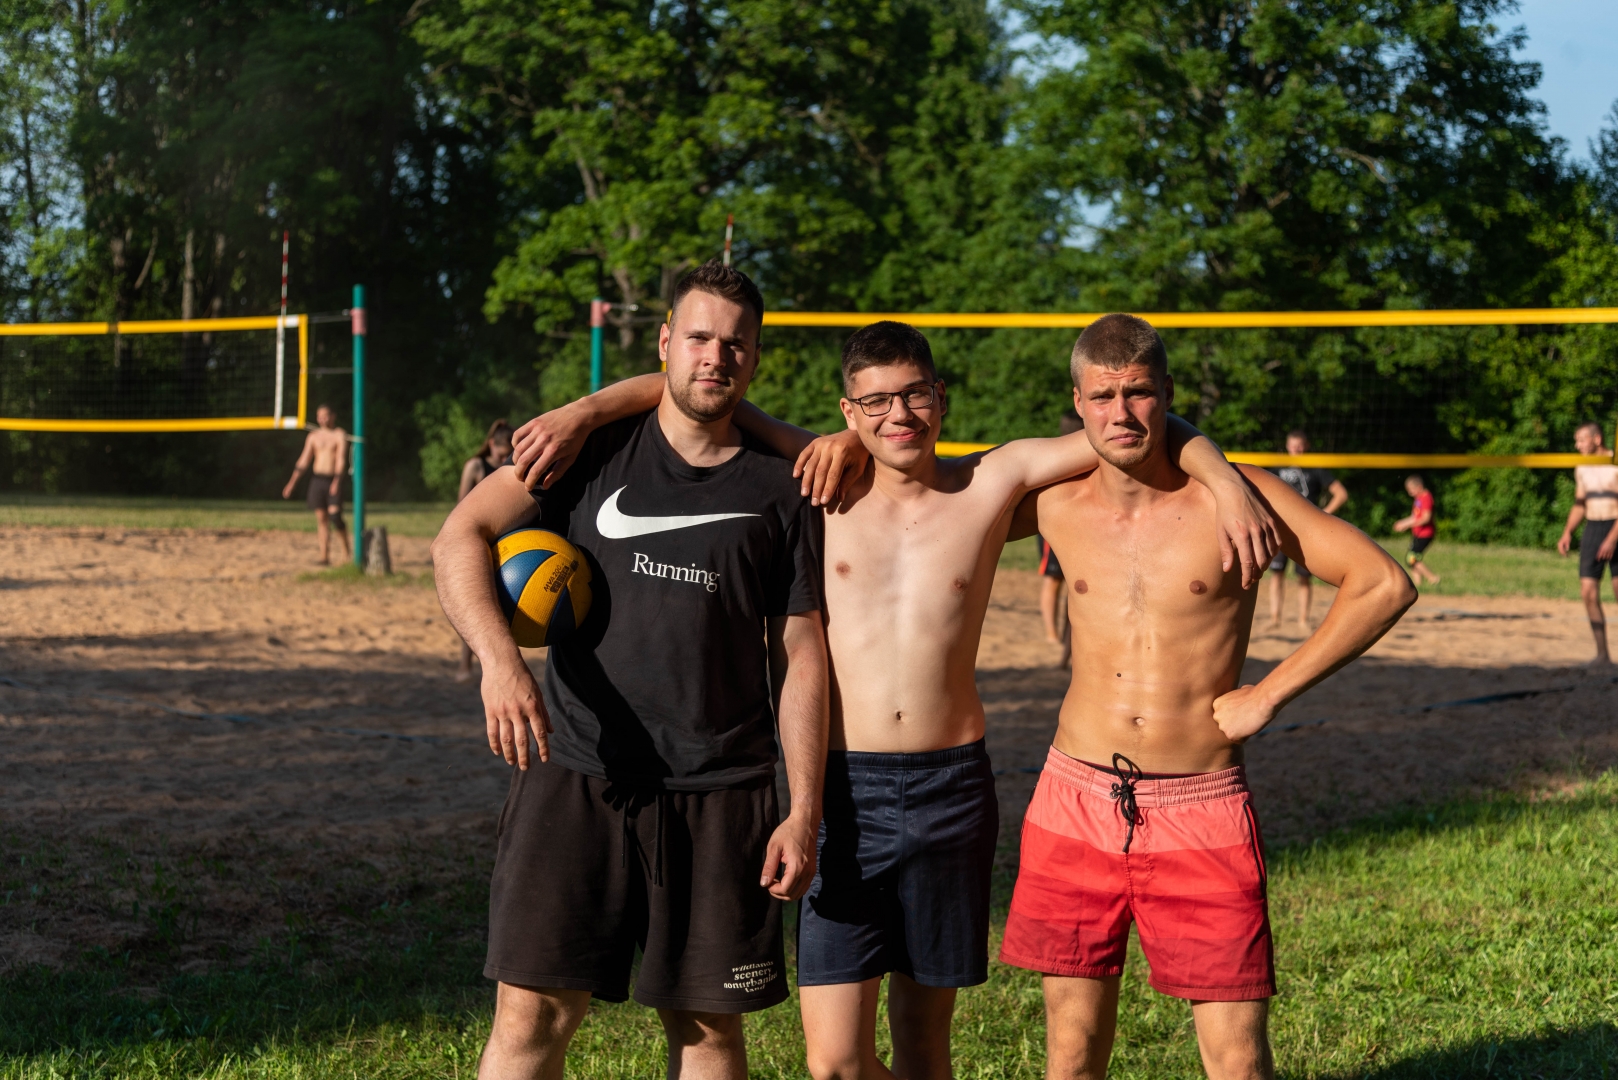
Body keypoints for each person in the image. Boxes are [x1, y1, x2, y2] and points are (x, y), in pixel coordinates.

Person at [508, 321, 1279, 1080]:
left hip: (953, 789)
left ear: (941, 397)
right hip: (845, 793)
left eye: (914, 395)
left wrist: (1223, 480)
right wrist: (584, 411)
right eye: (875, 403)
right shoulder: (820, 485)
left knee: (923, 1046)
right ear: (848, 412)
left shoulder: (991, 481)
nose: (899, 415)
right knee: (834, 1063)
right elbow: (702, 392)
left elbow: (1133, 426)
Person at [432, 262, 830, 1080]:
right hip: (576, 771)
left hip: (722, 789)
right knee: (533, 1015)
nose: (715, 357)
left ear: (755, 358)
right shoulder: (586, 453)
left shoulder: (783, 489)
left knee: (707, 1031)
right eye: (698, 338)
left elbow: (800, 655)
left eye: (735, 344)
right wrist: (500, 665)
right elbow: (459, 537)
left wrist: (803, 810)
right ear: (664, 343)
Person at [999, 314, 1415, 1080]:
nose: (1121, 413)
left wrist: (1270, 693)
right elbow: (924, 484)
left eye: (1139, 393)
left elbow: (1383, 583)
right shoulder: (1052, 503)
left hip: (1201, 804)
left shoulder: (1237, 497)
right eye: (1102, 397)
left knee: (1236, 1061)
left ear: (1167, 394)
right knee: (1071, 1052)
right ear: (1077, 401)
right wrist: (846, 442)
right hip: (1073, 798)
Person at [1266, 430, 1348, 630]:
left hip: (1306, 531)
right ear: (1287, 446)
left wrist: (1323, 514)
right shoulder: (1277, 467)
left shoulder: (1315, 467)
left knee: (1304, 577)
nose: (1296, 449)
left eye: (1300, 446)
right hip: (1280, 528)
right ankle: (1275, 619)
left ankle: (1303, 620)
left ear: (1306, 446)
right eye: (1293, 446)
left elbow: (1341, 494)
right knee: (1276, 574)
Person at [456, 421, 516, 682]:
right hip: (479, 544)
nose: (505, 460)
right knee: (476, 608)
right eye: (502, 455)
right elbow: (460, 508)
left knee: (502, 610)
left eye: (508, 455)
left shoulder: (512, 467)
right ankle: (464, 666)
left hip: (505, 544)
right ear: (491, 444)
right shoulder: (475, 466)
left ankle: (498, 668)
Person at [1556, 421, 1618, 664]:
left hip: (1615, 526)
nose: (1577, 445)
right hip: (1593, 527)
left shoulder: (1614, 463)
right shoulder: (1582, 467)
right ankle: (1602, 655)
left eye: (1581, 440)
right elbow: (1580, 504)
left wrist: (1612, 539)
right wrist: (1567, 532)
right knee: (1588, 593)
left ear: (1597, 439)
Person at [1039, 410, 1084, 666]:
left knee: (1073, 588)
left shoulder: (1091, 454)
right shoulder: (1056, 456)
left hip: (1080, 527)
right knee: (1055, 580)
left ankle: (1065, 647)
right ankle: (1052, 635)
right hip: (1057, 526)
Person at [280, 404, 350, 565]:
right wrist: (291, 483)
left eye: (325, 415)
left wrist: (337, 481)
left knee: (335, 516)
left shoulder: (339, 434)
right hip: (317, 480)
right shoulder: (313, 436)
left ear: (333, 416)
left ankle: (346, 551)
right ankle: (324, 556)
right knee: (322, 519)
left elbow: (341, 460)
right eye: (319, 416)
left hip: (333, 479)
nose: (322, 419)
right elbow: (303, 461)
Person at [1393, 473, 1440, 587]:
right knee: (1410, 559)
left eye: (1411, 490)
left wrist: (1408, 525)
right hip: (1418, 534)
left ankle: (1432, 578)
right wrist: (1403, 523)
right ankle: (1418, 585)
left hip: (1425, 534)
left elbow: (1426, 518)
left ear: (1419, 487)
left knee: (1412, 558)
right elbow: (1415, 517)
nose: (1410, 493)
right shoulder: (1418, 499)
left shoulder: (1426, 498)